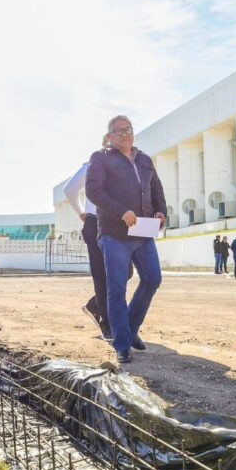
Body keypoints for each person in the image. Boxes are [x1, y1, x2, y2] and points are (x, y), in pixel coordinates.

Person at [86, 114, 167, 364]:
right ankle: (122, 344)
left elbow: (156, 189)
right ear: (109, 136)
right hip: (114, 234)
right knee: (117, 288)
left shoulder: (144, 159)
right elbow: (94, 191)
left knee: (153, 278)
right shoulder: (100, 159)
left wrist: (161, 210)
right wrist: (122, 211)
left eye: (128, 129)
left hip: (143, 231)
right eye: (118, 130)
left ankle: (129, 330)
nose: (124, 133)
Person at [64, 149, 113, 340]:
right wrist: (81, 211)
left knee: (125, 272)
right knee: (101, 274)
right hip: (95, 221)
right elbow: (69, 190)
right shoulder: (91, 166)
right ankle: (106, 323)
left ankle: (95, 305)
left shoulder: (123, 167)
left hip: (117, 222)